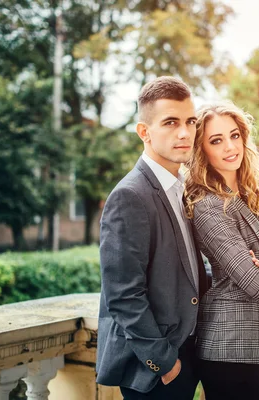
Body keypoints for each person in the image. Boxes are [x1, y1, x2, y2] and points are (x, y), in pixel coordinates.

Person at [96, 76, 209, 400]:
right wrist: (164, 362)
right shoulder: (130, 196)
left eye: (191, 121)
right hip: (155, 371)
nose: (185, 133)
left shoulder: (180, 187)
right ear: (144, 132)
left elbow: (183, 270)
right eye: (171, 122)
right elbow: (123, 295)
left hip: (185, 355)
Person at [184, 101, 259, 400]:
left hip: (250, 349)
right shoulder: (209, 206)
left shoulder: (244, 197)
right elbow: (258, 283)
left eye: (234, 135)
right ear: (203, 150)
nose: (229, 146)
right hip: (228, 350)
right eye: (216, 140)